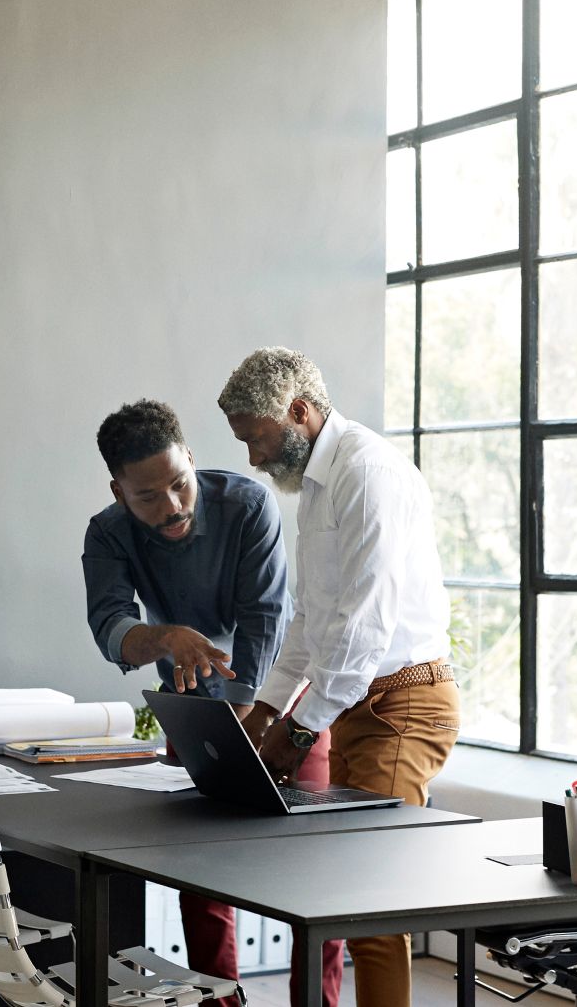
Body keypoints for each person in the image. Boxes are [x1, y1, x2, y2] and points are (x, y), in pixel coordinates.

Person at [218, 348, 460, 1007]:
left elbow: (364, 629)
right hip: (358, 703)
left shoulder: (367, 473)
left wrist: (297, 732)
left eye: (258, 439)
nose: (253, 459)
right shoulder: (316, 486)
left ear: (298, 412)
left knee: (370, 909)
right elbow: (311, 620)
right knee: (344, 900)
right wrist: (264, 710)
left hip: (404, 703)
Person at [82, 399, 343, 1007]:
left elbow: (265, 619)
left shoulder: (248, 505)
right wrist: (164, 638)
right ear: (119, 492)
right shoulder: (107, 532)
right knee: (202, 880)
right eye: (148, 496)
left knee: (314, 872)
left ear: (192, 459)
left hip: (284, 703)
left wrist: (249, 715)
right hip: (194, 709)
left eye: (180, 483)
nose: (172, 506)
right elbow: (110, 626)